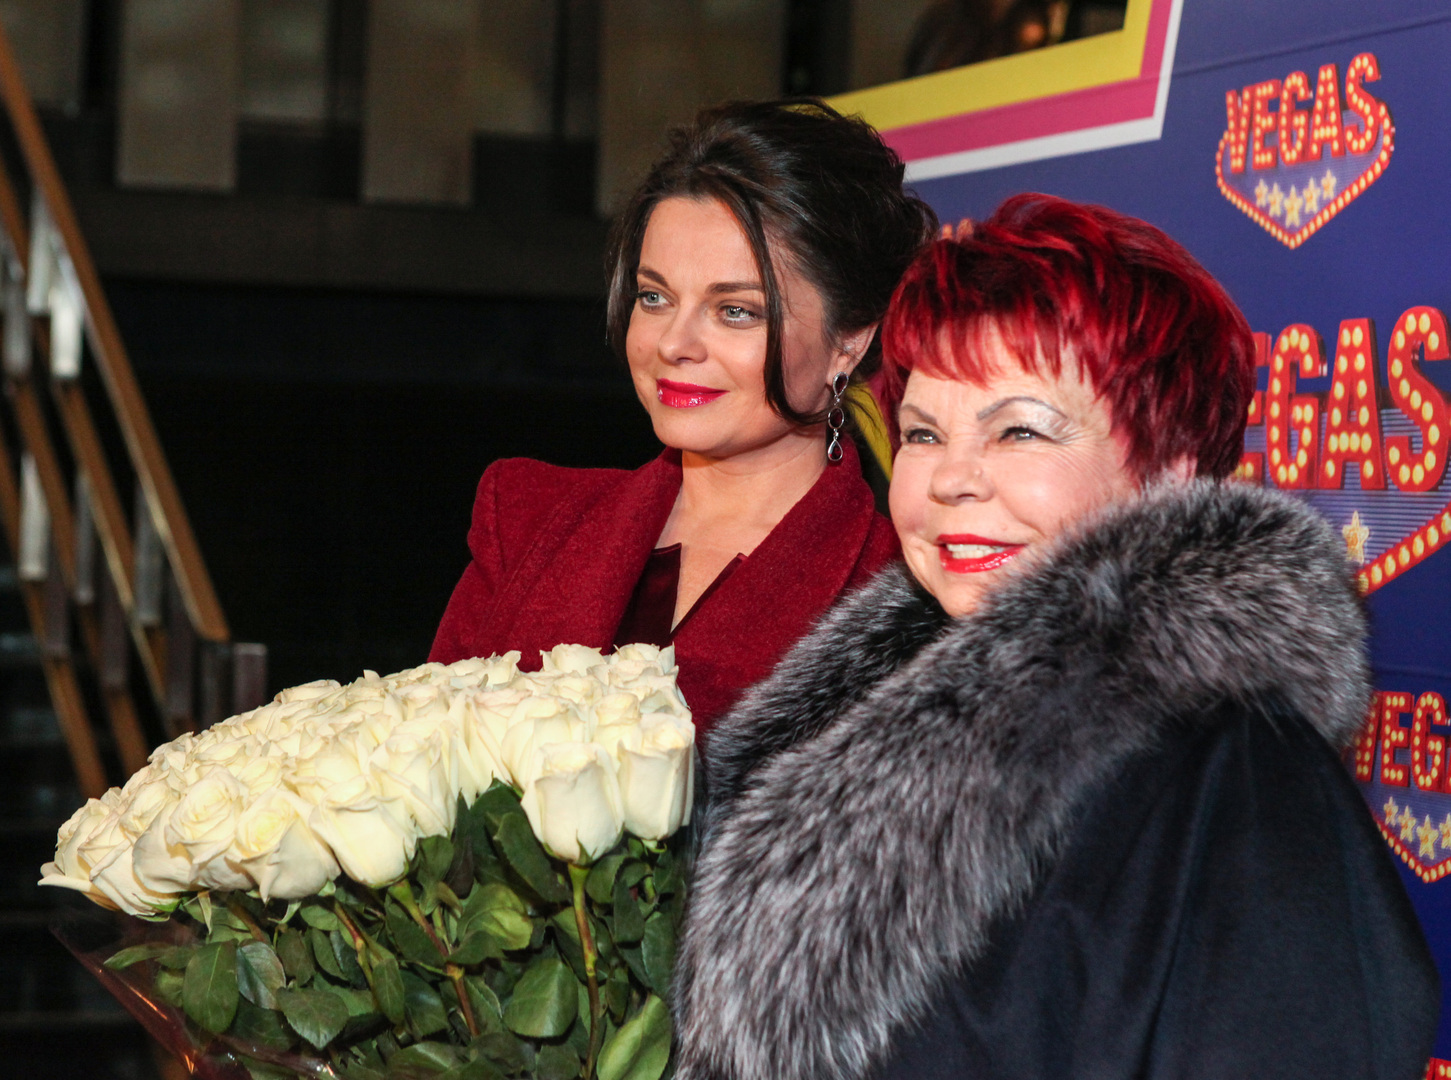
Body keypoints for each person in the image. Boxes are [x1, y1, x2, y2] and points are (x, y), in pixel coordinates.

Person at [674, 195, 1439, 1080]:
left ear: (1168, 468)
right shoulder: (852, 716)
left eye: (1018, 430)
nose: (951, 478)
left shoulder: (1240, 776)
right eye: (922, 434)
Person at [429, 100, 935, 735]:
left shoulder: (905, 601)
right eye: (654, 297)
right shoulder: (527, 519)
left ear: (849, 341)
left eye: (735, 310)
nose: (674, 343)